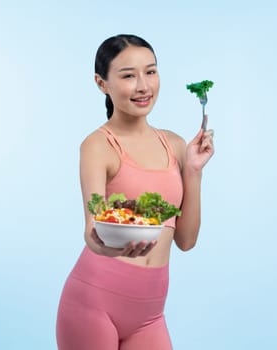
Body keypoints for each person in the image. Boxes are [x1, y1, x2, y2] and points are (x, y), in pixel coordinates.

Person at [56, 34, 215, 350]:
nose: (143, 86)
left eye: (151, 72)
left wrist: (194, 171)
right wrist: (117, 246)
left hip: (149, 315)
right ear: (102, 83)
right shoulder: (98, 146)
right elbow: (92, 231)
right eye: (128, 75)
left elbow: (186, 241)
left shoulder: (175, 145)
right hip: (93, 304)